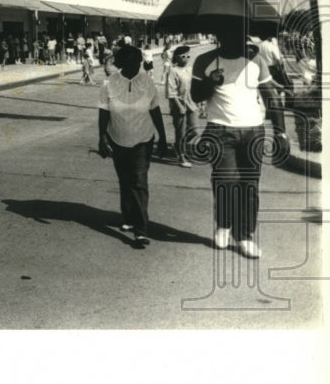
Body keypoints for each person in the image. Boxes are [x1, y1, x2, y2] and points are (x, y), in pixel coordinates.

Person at [191, 24, 286, 258]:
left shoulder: (256, 60)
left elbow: (270, 96)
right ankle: (223, 225)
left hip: (253, 130)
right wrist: (210, 82)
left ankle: (244, 236)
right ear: (219, 37)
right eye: (229, 34)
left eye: (240, 35)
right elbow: (195, 95)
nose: (237, 40)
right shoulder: (205, 60)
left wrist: (281, 132)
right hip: (220, 130)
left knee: (249, 186)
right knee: (224, 182)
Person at [97, 44, 169, 246]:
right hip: (117, 137)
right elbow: (104, 111)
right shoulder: (109, 83)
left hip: (143, 139)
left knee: (138, 181)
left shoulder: (147, 82)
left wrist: (162, 137)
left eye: (137, 62)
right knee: (125, 180)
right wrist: (102, 136)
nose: (134, 66)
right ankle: (128, 218)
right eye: (129, 63)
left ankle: (141, 229)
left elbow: (154, 110)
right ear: (120, 64)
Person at [165, 45, 197, 167]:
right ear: (177, 58)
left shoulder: (190, 69)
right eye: (183, 56)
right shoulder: (173, 71)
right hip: (179, 104)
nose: (186, 58)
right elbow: (171, 92)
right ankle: (181, 156)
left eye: (188, 56)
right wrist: (179, 106)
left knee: (194, 130)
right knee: (181, 132)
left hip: (191, 103)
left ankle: (178, 145)